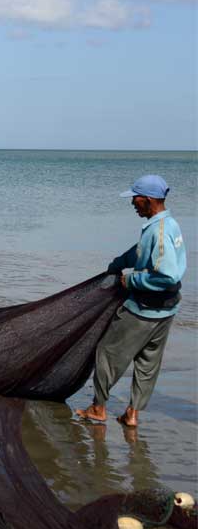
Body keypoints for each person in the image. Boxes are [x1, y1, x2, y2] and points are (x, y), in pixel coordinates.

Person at [76, 175, 186, 428]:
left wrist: (132, 281)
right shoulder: (168, 224)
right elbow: (141, 252)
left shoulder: (158, 231)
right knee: (147, 363)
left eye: (135, 199)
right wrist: (118, 264)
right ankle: (132, 414)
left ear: (147, 200)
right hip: (167, 310)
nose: (132, 203)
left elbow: (168, 274)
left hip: (144, 310)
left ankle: (98, 408)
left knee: (107, 353)